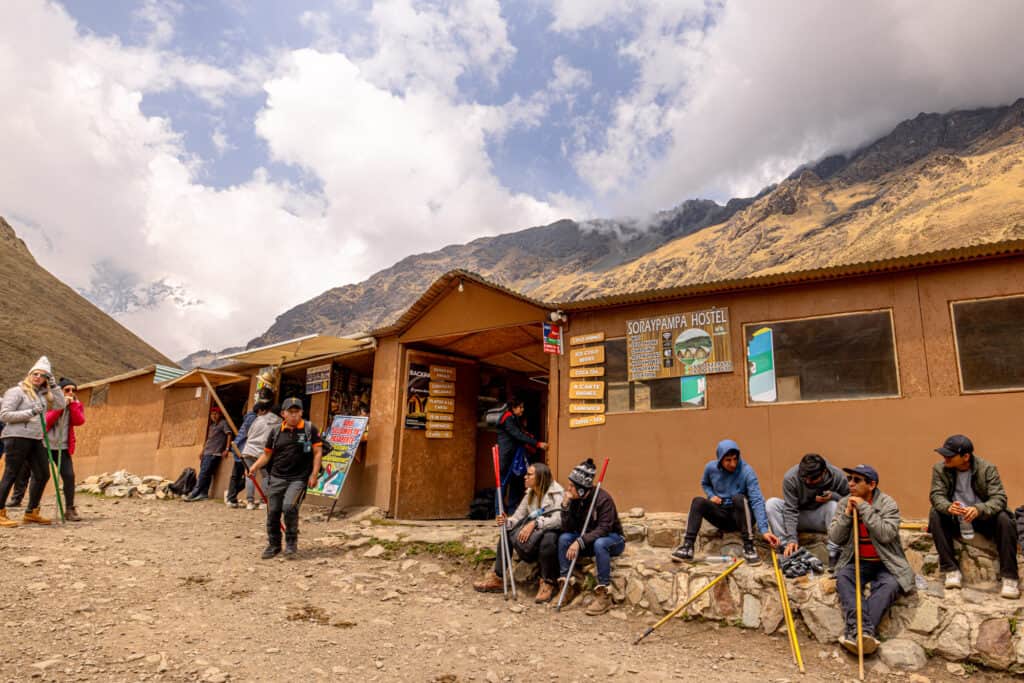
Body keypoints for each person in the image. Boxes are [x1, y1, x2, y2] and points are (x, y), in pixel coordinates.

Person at [829, 464, 914, 656]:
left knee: (891, 585)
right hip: (858, 561)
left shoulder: (887, 504)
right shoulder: (844, 503)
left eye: (856, 480)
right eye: (849, 478)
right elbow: (835, 537)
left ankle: (855, 634)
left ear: (872, 484)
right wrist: (848, 514)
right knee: (843, 577)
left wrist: (865, 509)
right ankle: (864, 633)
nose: (850, 483)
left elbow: (886, 534)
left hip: (886, 563)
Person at [928, 434, 1019, 599]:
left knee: (1005, 519)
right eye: (944, 454)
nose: (944, 458)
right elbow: (936, 496)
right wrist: (948, 507)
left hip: (983, 518)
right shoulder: (939, 469)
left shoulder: (987, 469)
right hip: (956, 518)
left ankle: (1010, 578)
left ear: (966, 456)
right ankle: (951, 570)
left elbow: (999, 498)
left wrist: (979, 509)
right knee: (935, 514)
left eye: (949, 455)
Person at [672, 439, 778, 565]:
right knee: (697, 502)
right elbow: (705, 483)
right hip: (722, 515)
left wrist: (764, 530)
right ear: (720, 459)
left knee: (738, 498)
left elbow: (757, 500)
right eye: (728, 460)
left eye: (735, 459)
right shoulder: (710, 468)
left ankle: (749, 547)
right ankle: (687, 547)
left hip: (742, 516)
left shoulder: (747, 471)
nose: (733, 464)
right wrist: (711, 495)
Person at [473, 462, 565, 602]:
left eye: (529, 474)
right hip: (532, 540)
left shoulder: (556, 494)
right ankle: (498, 578)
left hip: (548, 540)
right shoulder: (530, 493)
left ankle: (548, 583)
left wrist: (535, 523)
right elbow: (517, 517)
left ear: (540, 477)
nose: (525, 477)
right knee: (506, 531)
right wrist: (506, 521)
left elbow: (559, 520)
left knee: (549, 537)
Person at [249, 397, 323, 559]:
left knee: (289, 507)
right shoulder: (275, 432)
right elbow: (267, 454)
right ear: (283, 414)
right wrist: (254, 467)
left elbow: (317, 453)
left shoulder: (310, 429)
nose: (294, 415)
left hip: (298, 478)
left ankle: (291, 543)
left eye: (298, 412)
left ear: (302, 412)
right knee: (273, 512)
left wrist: (314, 474)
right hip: (276, 477)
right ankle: (274, 545)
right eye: (291, 412)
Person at [0, 356, 66, 527]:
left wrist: (54, 386)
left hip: (36, 438)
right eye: (35, 373)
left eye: (43, 375)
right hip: (16, 437)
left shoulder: (43, 395)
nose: (38, 377)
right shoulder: (16, 391)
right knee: (11, 474)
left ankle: (31, 512)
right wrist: (30, 412)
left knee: (43, 473)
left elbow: (60, 405)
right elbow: (5, 415)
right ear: (29, 374)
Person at [557, 459, 625, 616]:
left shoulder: (603, 499)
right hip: (587, 539)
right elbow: (567, 528)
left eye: (572, 486)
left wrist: (580, 541)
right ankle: (567, 585)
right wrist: (565, 507)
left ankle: (604, 593)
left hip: (612, 538)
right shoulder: (575, 500)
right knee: (564, 538)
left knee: (600, 544)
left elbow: (604, 528)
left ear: (581, 489)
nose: (568, 489)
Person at [766, 453, 848, 570]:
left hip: (823, 519)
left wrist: (833, 496)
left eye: (813, 478)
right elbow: (790, 510)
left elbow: (850, 498)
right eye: (804, 478)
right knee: (771, 504)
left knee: (833, 506)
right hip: (799, 517)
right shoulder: (791, 478)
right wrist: (792, 539)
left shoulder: (835, 475)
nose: (808, 481)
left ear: (824, 472)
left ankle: (834, 552)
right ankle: (786, 551)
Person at [43, 378, 86, 521]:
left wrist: (72, 405)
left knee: (69, 476)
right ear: (60, 391)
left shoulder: (76, 404)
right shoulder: (50, 402)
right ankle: (32, 508)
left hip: (63, 447)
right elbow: (47, 421)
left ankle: (69, 509)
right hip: (45, 445)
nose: (71, 393)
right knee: (40, 476)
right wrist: (62, 405)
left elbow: (79, 421)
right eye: (67, 390)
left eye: (73, 390)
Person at [496, 398, 547, 515]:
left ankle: (512, 511)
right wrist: (537, 443)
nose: (522, 410)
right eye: (521, 407)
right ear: (514, 408)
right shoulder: (508, 418)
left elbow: (521, 434)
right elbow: (518, 435)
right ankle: (499, 512)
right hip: (507, 458)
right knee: (502, 485)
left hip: (514, 458)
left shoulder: (514, 419)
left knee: (514, 483)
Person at [183, 405, 232, 502]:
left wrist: (227, 448)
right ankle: (204, 494)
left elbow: (229, 435)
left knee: (203, 474)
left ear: (220, 415)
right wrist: (202, 451)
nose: (214, 416)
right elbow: (208, 440)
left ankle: (194, 493)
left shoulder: (223, 423)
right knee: (207, 474)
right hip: (207, 453)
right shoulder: (211, 426)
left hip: (214, 453)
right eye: (212, 414)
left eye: (216, 414)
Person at [237, 401, 279, 510]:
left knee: (250, 476)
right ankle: (262, 502)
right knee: (266, 476)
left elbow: (248, 434)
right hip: (262, 453)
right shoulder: (278, 422)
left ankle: (250, 502)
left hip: (249, 450)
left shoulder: (258, 419)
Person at [225, 404, 260, 509]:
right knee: (246, 476)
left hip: (240, 449)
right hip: (244, 451)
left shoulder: (248, 418)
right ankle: (231, 497)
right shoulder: (253, 419)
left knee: (238, 476)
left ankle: (231, 497)